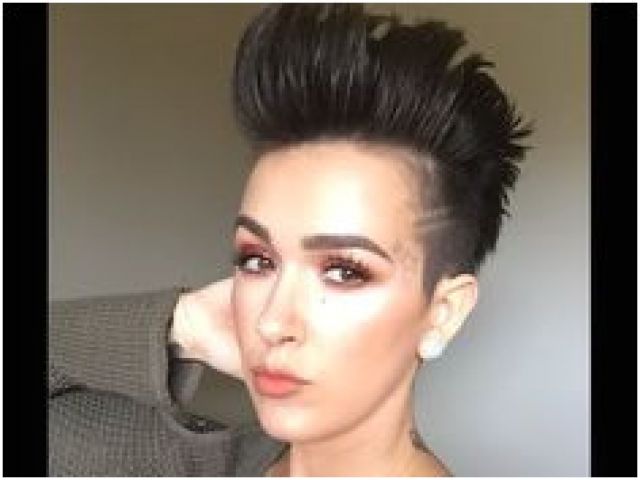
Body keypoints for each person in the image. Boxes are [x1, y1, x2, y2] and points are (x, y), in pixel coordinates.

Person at [48, 4, 531, 476]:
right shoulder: (178, 463)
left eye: (344, 271)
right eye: (257, 260)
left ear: (443, 313)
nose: (271, 322)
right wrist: (183, 324)